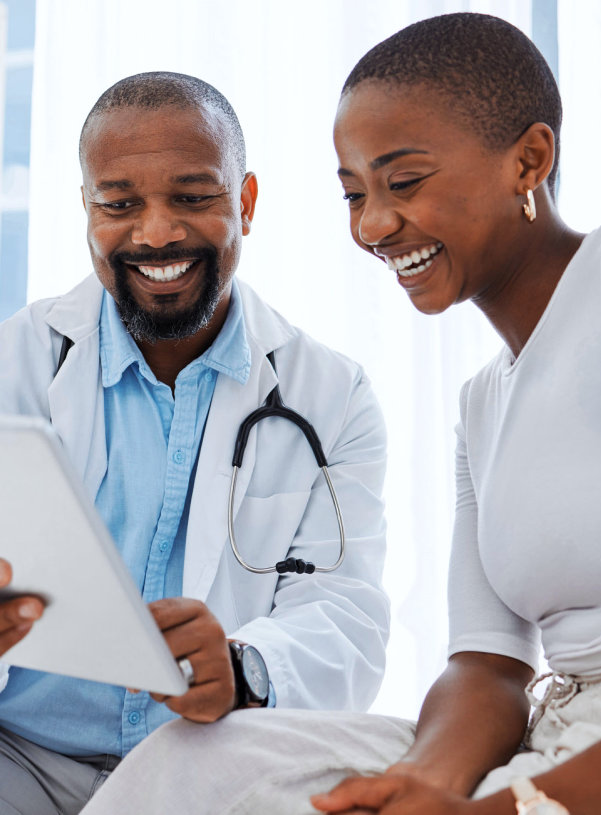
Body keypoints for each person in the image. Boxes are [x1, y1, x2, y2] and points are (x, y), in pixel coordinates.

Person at [81, 12, 601, 815]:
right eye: (354, 194)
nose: (372, 226)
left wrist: (498, 809)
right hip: (557, 733)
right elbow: (488, 663)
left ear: (529, 160)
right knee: (208, 760)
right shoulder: (483, 403)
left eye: (403, 182)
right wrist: (426, 783)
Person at [0, 71, 391, 814]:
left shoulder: (332, 395)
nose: (155, 233)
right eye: (120, 204)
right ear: (86, 210)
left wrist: (247, 667)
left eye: (191, 197)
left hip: (206, 768)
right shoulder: (15, 362)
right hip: (18, 752)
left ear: (244, 202)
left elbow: (348, 611)